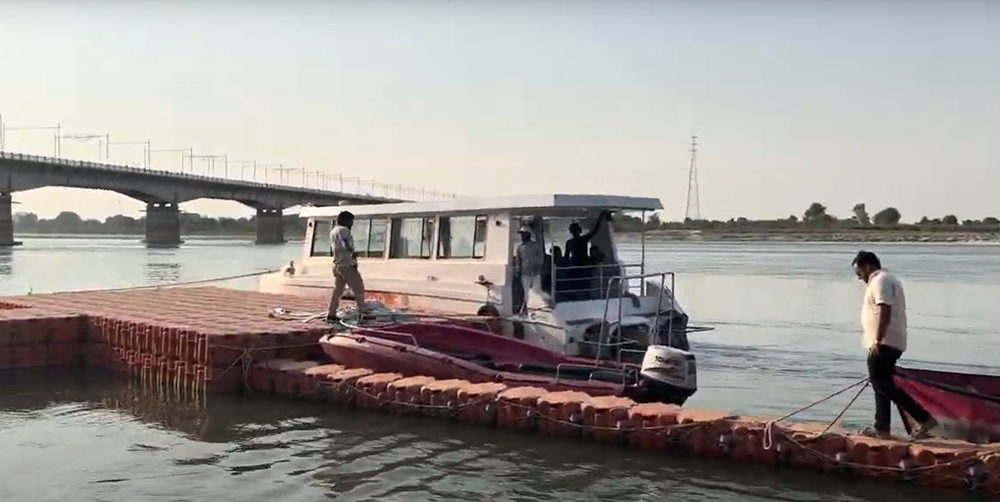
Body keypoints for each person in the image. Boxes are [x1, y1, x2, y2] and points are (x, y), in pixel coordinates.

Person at [853, 251, 938, 439]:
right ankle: (882, 429)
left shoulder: (881, 281)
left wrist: (877, 340)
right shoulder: (885, 279)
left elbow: (885, 309)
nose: (859, 278)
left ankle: (924, 418)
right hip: (888, 341)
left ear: (867, 266)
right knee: (881, 385)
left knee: (883, 385)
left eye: (859, 273)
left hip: (885, 342)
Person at [326, 211, 367, 323]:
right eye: (351, 221)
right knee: (359, 288)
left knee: (338, 290)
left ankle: (331, 313)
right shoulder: (344, 230)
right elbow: (346, 245)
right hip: (347, 264)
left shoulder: (333, 231)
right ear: (345, 220)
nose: (352, 224)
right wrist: (353, 255)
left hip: (337, 264)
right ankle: (362, 313)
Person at [514, 228, 543, 312]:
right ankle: (526, 309)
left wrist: (538, 266)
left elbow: (540, 258)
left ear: (528, 235)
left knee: (536, 291)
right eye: (521, 234)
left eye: (523, 234)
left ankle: (534, 309)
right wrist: (517, 271)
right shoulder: (520, 248)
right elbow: (518, 262)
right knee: (527, 293)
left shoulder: (534, 246)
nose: (522, 236)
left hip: (535, 273)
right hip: (525, 273)